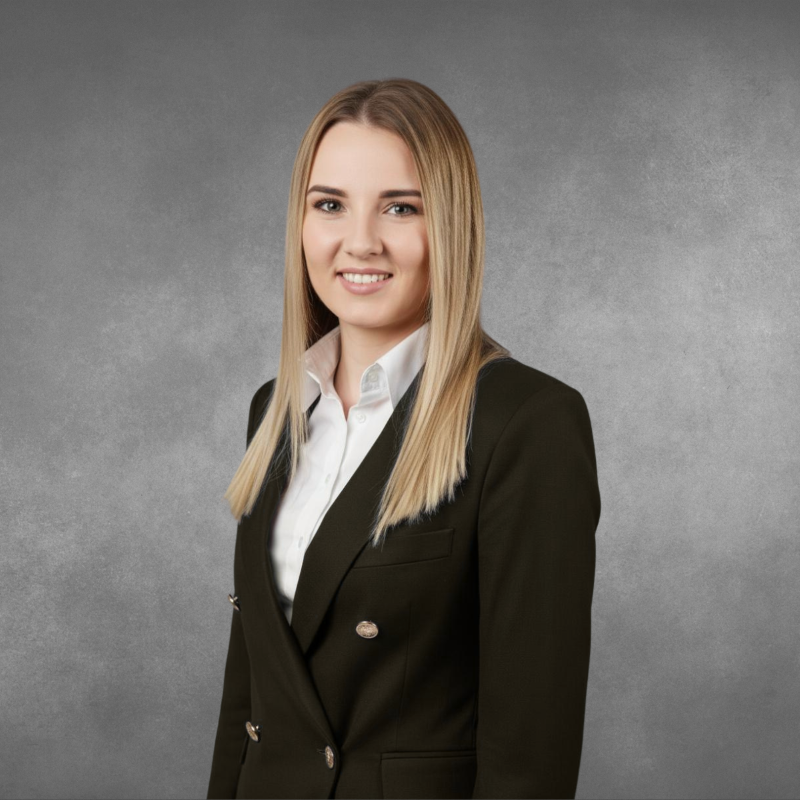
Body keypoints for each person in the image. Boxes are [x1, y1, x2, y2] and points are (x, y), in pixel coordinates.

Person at [206, 78, 601, 800]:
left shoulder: (527, 421)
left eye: (400, 207)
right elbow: (250, 702)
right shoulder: (275, 410)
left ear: (451, 225)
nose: (360, 242)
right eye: (330, 205)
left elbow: (529, 758)